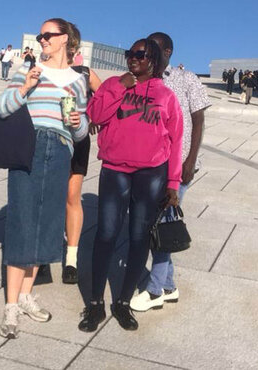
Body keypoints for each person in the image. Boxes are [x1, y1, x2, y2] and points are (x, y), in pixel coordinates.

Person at [79, 38, 183, 333]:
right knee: (106, 234)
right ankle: (96, 304)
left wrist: (173, 182)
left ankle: (122, 302)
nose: (133, 58)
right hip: (115, 170)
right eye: (130, 53)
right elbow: (95, 116)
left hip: (151, 174)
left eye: (140, 54)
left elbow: (175, 143)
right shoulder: (115, 84)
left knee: (139, 237)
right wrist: (118, 86)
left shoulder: (167, 96)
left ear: (153, 60)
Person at [0, 19, 89, 339]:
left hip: (60, 151)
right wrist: (25, 87)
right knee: (22, 221)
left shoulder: (78, 80)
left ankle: (25, 295)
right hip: (29, 145)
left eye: (47, 35)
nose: (42, 40)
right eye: (40, 35)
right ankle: (11, 305)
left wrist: (76, 122)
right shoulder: (30, 69)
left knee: (46, 223)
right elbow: (3, 108)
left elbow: (80, 131)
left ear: (65, 39)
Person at [130, 32, 211, 312]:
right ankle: (169, 286)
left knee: (162, 222)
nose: (148, 54)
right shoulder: (147, 80)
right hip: (152, 165)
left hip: (179, 165)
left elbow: (198, 120)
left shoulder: (186, 78)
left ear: (168, 51)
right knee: (158, 223)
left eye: (154, 48)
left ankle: (154, 291)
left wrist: (190, 161)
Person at [63, 25, 102, 285]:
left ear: (73, 50)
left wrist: (93, 115)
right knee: (48, 197)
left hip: (78, 141)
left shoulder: (85, 73)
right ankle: (44, 255)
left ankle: (71, 258)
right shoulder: (40, 72)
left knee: (72, 196)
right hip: (49, 139)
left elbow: (107, 98)